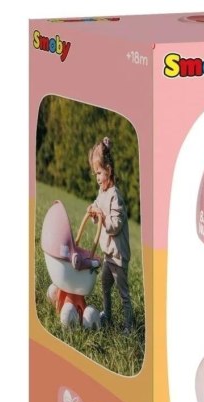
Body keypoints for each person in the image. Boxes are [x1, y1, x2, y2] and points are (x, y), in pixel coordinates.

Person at [86, 137, 134, 334]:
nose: (97, 178)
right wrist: (93, 212)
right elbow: (98, 207)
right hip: (108, 255)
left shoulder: (115, 195)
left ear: (108, 169)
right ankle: (107, 314)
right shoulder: (102, 191)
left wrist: (102, 216)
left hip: (118, 256)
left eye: (99, 173)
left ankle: (129, 327)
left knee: (123, 293)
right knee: (105, 284)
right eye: (95, 174)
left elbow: (115, 225)